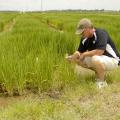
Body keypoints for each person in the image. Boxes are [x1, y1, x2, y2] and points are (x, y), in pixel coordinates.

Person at [67, 18, 120, 89]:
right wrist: (73, 57)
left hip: (113, 60)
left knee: (95, 58)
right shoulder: (84, 38)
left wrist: (85, 54)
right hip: (101, 59)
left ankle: (101, 82)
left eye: (82, 32)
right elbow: (79, 51)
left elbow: (99, 52)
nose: (81, 34)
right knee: (78, 59)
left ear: (88, 28)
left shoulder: (101, 33)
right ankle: (99, 73)